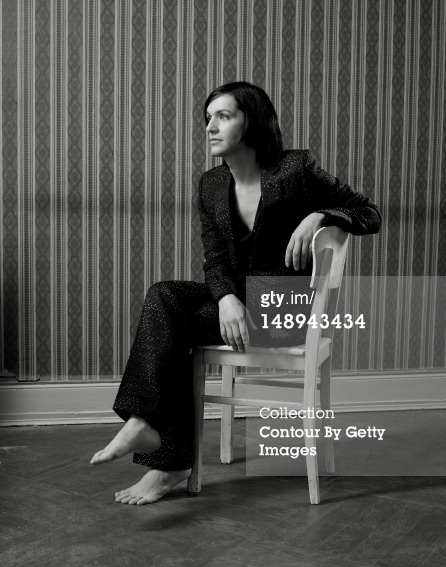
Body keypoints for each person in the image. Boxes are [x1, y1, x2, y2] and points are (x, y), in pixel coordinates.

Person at [90, 81, 381, 505]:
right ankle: (148, 430)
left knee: (173, 324)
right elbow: (214, 260)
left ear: (252, 122)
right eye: (208, 118)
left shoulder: (295, 169)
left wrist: (321, 215)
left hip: (284, 311)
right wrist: (226, 299)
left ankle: (164, 453)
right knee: (164, 295)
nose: (210, 127)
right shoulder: (211, 184)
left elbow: (369, 212)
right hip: (240, 304)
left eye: (223, 116)